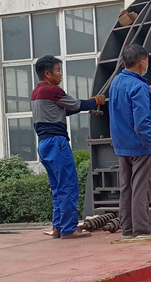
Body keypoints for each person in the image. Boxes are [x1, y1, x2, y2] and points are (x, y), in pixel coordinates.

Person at [31, 55, 105, 240]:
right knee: (68, 185)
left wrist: (88, 103)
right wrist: (95, 101)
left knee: (57, 187)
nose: (61, 74)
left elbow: (64, 110)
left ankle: (58, 227)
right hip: (57, 143)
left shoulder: (37, 92)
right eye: (58, 70)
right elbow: (77, 104)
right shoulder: (52, 90)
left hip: (44, 144)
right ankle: (69, 228)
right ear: (47, 74)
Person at [109, 44, 151, 238]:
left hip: (122, 145)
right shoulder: (139, 87)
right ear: (141, 63)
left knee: (126, 188)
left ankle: (128, 229)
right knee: (141, 188)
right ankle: (142, 229)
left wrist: (146, 94)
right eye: (146, 61)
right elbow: (141, 124)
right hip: (140, 147)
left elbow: (123, 106)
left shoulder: (116, 82)